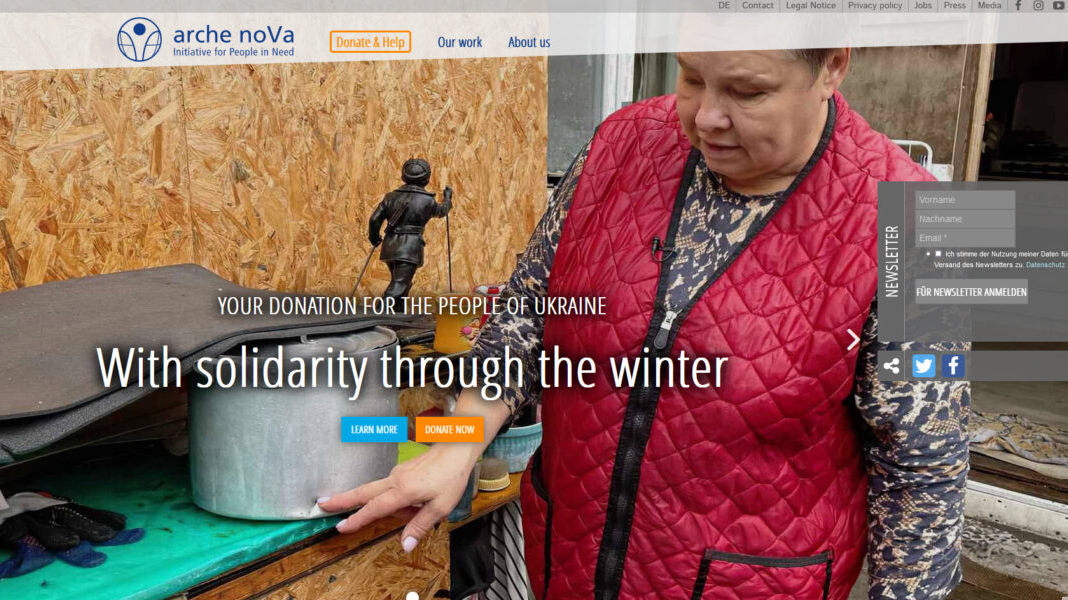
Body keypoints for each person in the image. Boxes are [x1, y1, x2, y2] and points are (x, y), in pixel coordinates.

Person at [322, 49, 970, 600]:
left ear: (832, 66)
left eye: (748, 91)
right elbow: (529, 309)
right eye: (692, 77)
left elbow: (923, 475)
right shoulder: (620, 143)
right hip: (568, 566)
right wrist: (457, 444)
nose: (706, 116)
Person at [367, 158, 453, 300]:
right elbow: (442, 210)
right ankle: (381, 310)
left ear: (404, 176)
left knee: (402, 283)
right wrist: (448, 198)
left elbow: (374, 220)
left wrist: (374, 238)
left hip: (390, 246)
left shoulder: (390, 197)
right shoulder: (427, 200)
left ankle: (397, 312)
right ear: (426, 178)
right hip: (409, 248)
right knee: (399, 284)